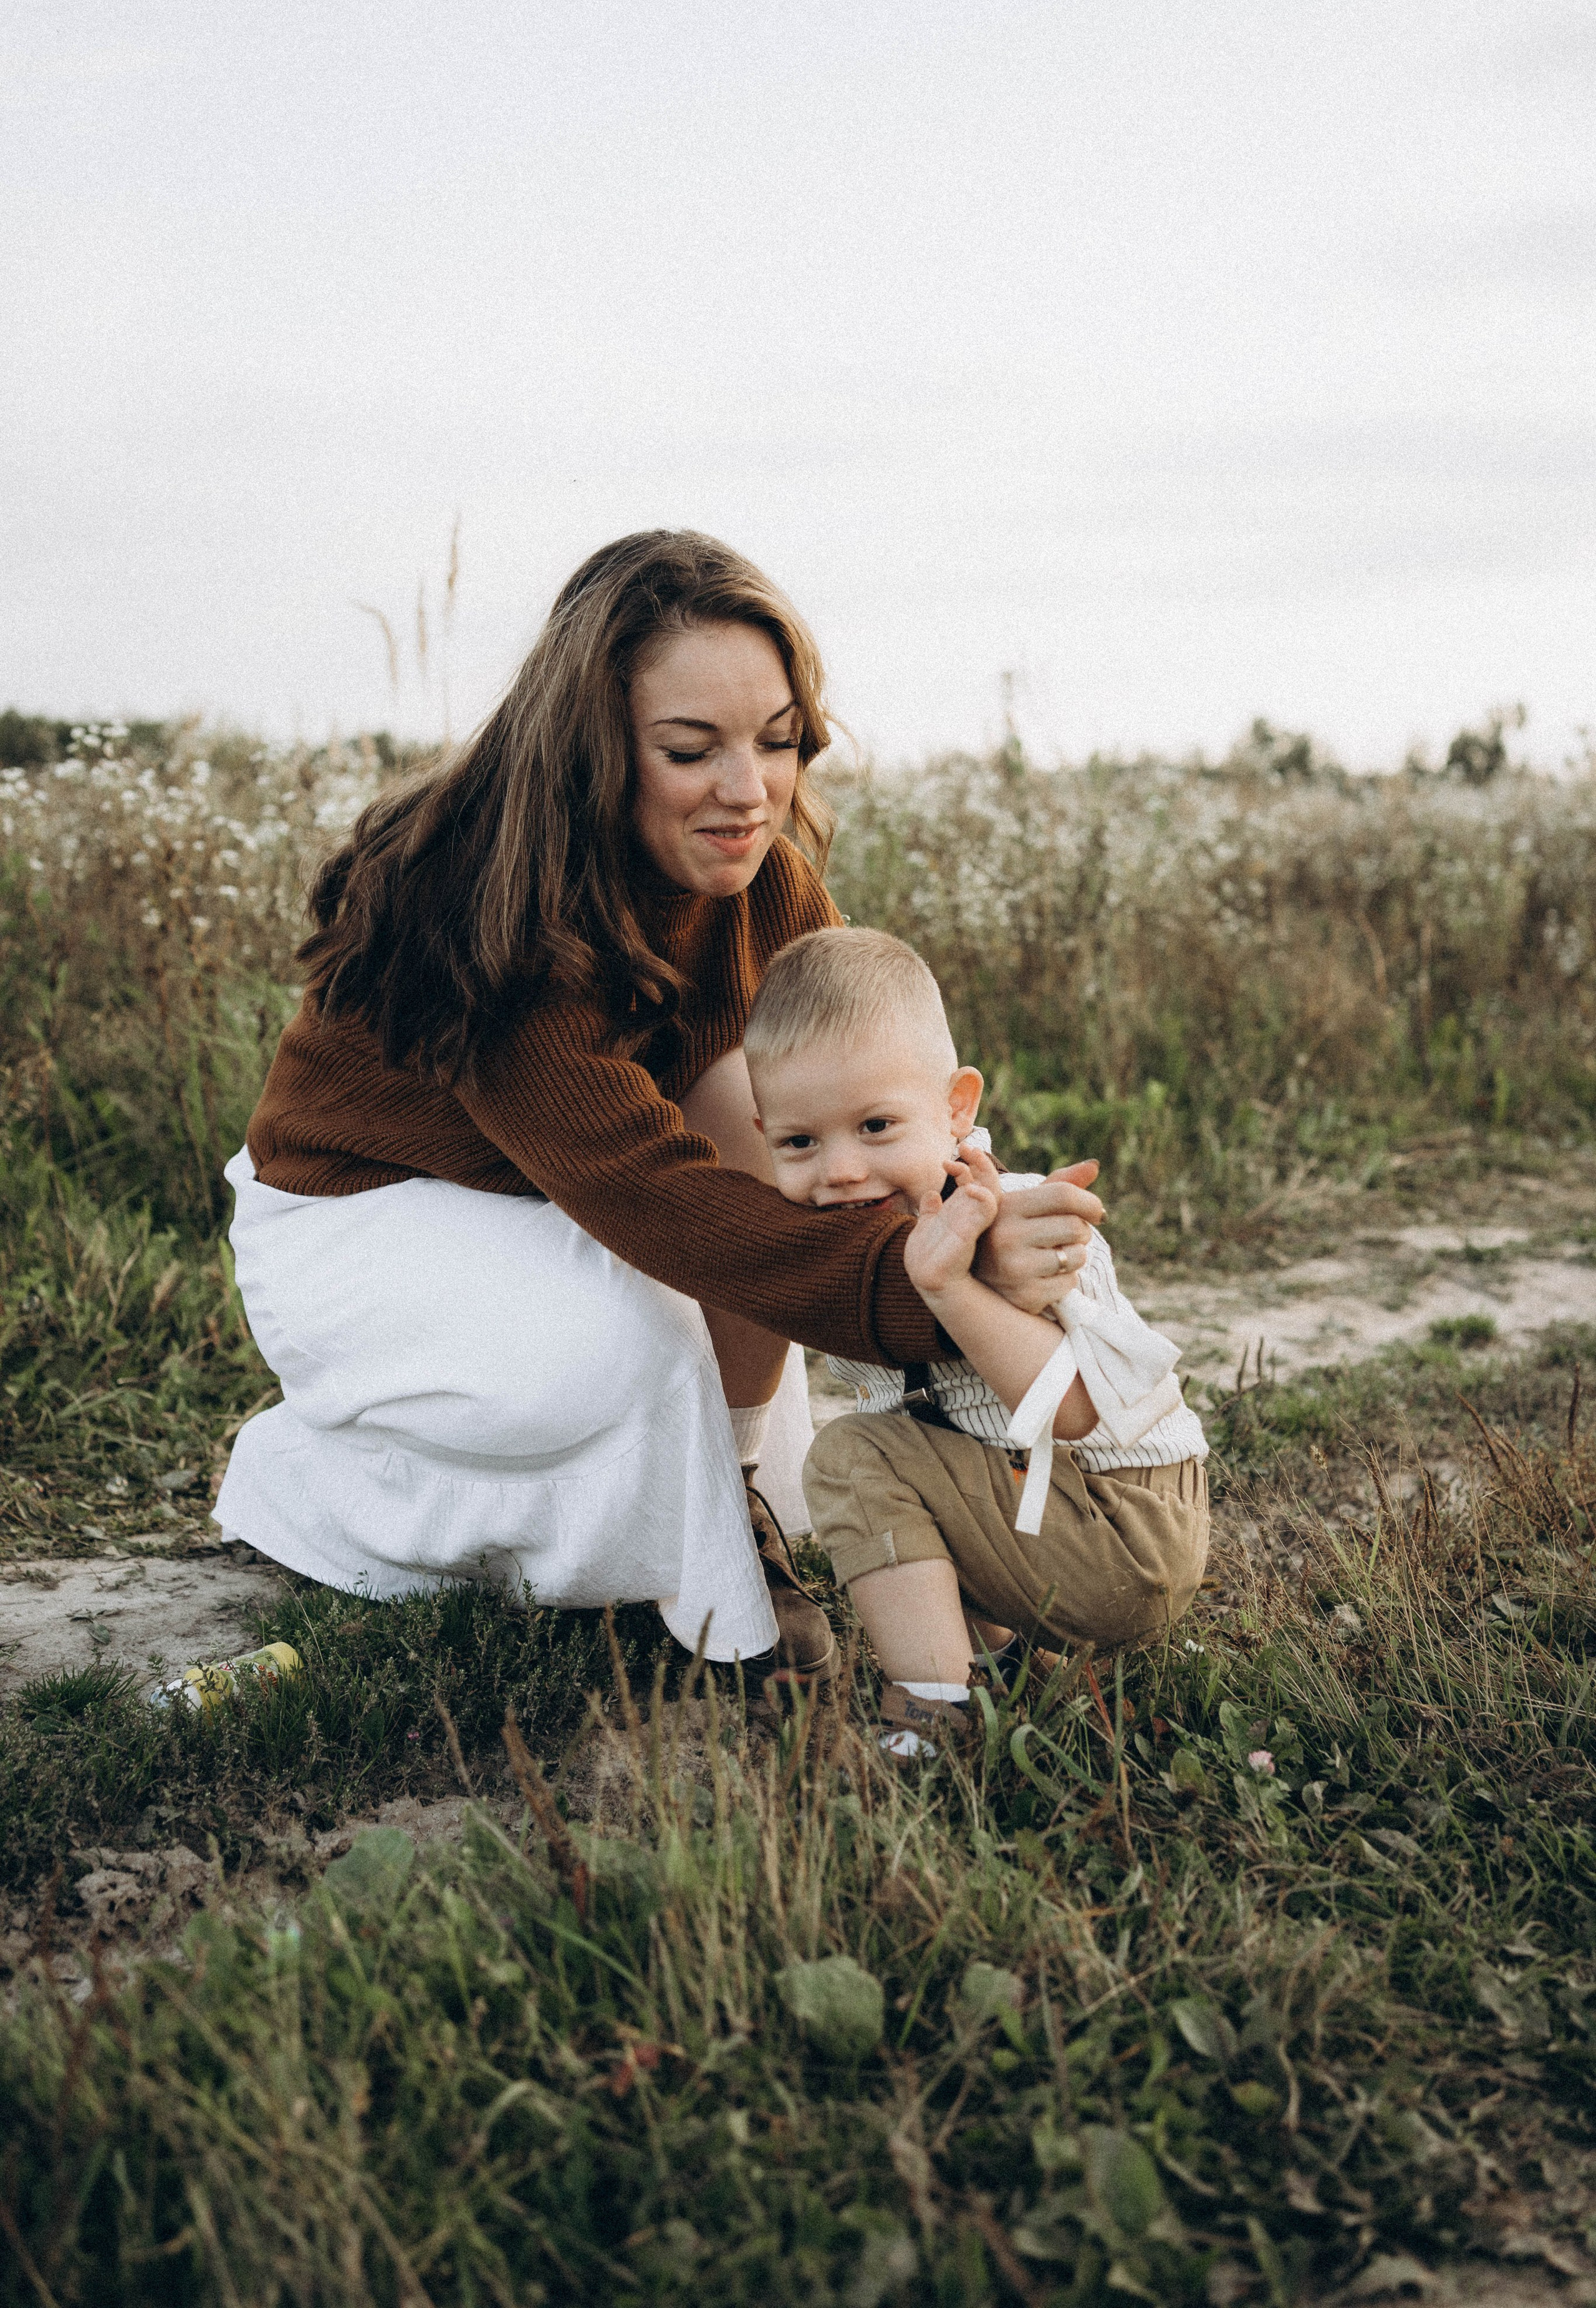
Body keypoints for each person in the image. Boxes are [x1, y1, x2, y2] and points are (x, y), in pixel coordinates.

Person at [214, 531, 1103, 1690]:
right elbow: (656, 1195)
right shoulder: (486, 904)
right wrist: (919, 1287)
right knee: (629, 1349)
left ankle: (727, 1493)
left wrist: (979, 1213)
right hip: (366, 1215)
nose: (750, 792)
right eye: (694, 751)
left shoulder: (763, 877)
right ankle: (335, 1491)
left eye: (778, 742)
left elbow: (857, 1090)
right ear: (595, 748)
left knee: (766, 1097)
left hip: (556, 1195)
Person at [741, 925, 1209, 1752]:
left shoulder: (1022, 1226)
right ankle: (998, 1669)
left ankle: (935, 1716)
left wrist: (952, 1287)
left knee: (854, 1457)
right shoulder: (851, 1255)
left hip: (1126, 1527)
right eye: (800, 1143)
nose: (841, 1170)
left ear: (958, 1108)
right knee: (910, 1449)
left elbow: (1069, 1410)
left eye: (877, 1126)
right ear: (763, 1135)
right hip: (1050, 1523)